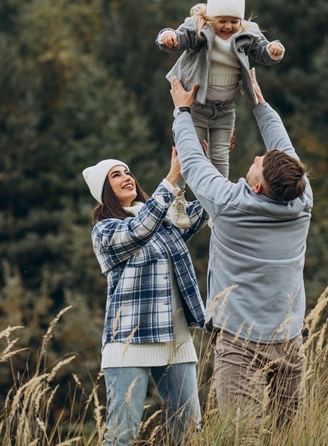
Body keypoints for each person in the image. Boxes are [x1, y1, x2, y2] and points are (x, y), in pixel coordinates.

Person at [169, 68, 312, 433]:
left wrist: (182, 112)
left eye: (258, 165)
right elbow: (285, 149)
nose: (255, 159)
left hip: (240, 342)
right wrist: (259, 103)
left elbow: (193, 162)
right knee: (290, 435)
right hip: (289, 336)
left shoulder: (229, 204)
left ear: (260, 188)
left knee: (239, 435)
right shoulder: (302, 197)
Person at [82, 149, 209, 445]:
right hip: (128, 342)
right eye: (116, 175)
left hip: (176, 341)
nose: (126, 177)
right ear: (105, 191)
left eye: (127, 172)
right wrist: (172, 177)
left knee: (189, 433)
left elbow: (205, 209)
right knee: (122, 436)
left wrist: (205, 161)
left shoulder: (163, 219)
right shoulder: (105, 230)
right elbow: (140, 230)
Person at [156, 0, 285, 229]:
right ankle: (177, 197)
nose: (228, 26)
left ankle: (219, 207)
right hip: (195, 106)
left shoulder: (248, 32)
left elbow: (263, 51)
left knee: (219, 158)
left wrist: (274, 50)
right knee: (187, 153)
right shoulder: (198, 27)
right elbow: (178, 38)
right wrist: (167, 36)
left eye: (234, 21)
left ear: (241, 20)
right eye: (222, 20)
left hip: (225, 109)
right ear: (210, 17)